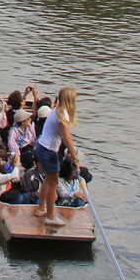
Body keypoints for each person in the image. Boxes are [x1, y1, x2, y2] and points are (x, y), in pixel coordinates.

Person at [34, 87, 79, 227]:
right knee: (53, 182)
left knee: (48, 180)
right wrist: (75, 157)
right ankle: (50, 216)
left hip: (42, 147)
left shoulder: (57, 108)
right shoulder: (63, 113)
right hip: (48, 150)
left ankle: (41, 209)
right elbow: (67, 137)